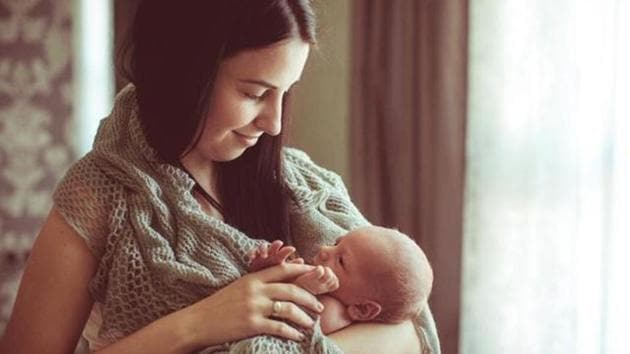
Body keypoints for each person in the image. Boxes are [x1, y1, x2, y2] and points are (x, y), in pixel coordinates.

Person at [0, 1, 440, 353]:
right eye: (254, 93)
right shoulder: (98, 196)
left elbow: (409, 328)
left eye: (285, 94)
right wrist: (199, 323)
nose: (273, 123)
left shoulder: (305, 182)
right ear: (186, 72)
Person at [248, 226, 434, 334]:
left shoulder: (335, 313)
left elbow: (289, 325)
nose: (324, 249)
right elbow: (263, 294)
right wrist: (267, 269)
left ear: (362, 309)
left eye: (341, 260)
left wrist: (303, 288)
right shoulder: (326, 286)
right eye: (337, 243)